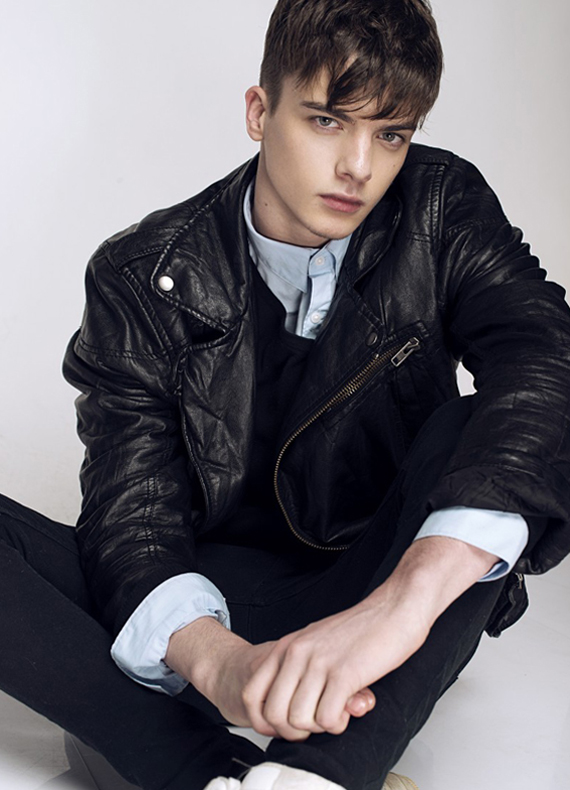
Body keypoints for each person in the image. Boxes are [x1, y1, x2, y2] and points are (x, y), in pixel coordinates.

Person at [1, 1, 570, 789]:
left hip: (374, 583)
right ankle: (202, 764)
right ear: (259, 112)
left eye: (391, 134)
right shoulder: (140, 275)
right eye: (328, 121)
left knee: (481, 425)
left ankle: (316, 774)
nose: (359, 168)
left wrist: (402, 606)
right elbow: (134, 514)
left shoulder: (441, 207)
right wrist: (218, 662)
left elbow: (548, 360)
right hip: (204, 598)